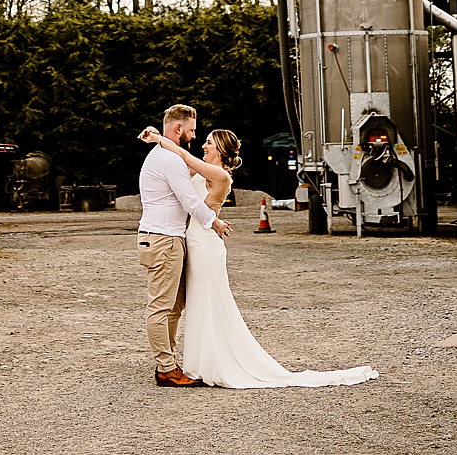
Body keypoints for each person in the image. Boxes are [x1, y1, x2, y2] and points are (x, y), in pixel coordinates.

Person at [140, 122, 379, 390]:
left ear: (219, 150)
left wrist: (158, 137)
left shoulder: (220, 176)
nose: (203, 145)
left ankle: (213, 363)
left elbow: (183, 157)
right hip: (193, 242)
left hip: (205, 246)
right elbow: (180, 170)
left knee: (209, 303)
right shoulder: (206, 169)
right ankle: (197, 362)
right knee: (196, 303)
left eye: (209, 142)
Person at [137, 103, 230, 386]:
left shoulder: (166, 156)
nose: (195, 135)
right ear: (179, 128)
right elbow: (190, 201)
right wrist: (214, 222)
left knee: (174, 306)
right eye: (191, 129)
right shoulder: (170, 160)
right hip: (164, 239)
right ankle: (166, 368)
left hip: (168, 238)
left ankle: (169, 361)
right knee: (162, 307)